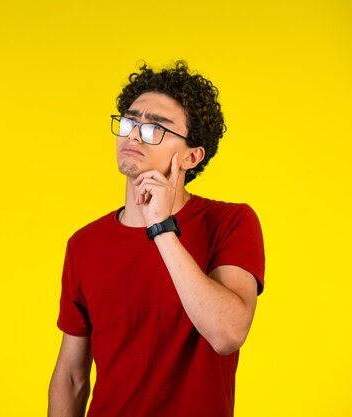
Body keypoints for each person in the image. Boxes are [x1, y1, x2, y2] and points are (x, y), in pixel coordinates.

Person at [47, 61, 265, 417]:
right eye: (131, 122)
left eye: (155, 129)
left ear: (192, 156)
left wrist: (161, 227)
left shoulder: (230, 222)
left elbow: (227, 334)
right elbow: (71, 376)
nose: (133, 135)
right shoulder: (84, 244)